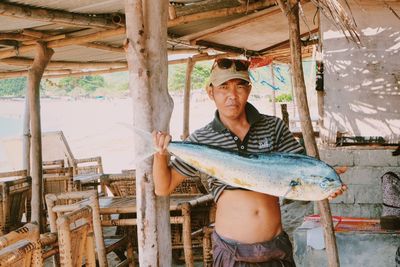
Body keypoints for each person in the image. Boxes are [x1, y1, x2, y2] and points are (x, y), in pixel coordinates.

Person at [152, 58, 346, 266]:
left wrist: (323, 182)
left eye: (240, 86)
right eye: (223, 87)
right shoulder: (202, 139)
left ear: (249, 89)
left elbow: (299, 168)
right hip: (231, 253)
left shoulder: (273, 127)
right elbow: (164, 188)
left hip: (275, 249)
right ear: (211, 93)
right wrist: (160, 153)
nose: (232, 96)